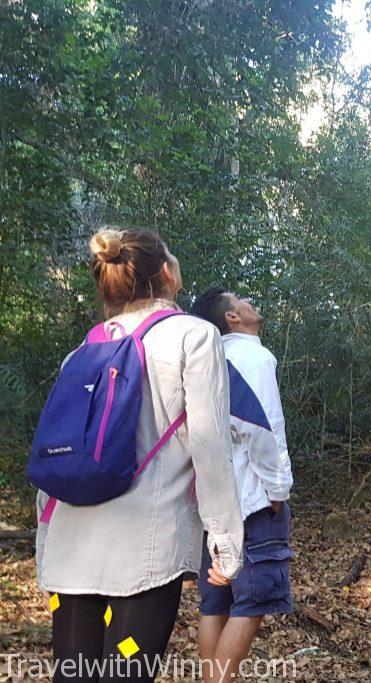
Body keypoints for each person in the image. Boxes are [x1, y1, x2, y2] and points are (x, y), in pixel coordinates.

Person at [35, 228, 244, 683]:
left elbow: (56, 453)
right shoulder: (195, 336)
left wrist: (44, 543)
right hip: (145, 547)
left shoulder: (82, 351)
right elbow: (209, 447)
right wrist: (226, 546)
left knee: (73, 677)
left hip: (70, 546)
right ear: (166, 273)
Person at [191, 288, 293, 683]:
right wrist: (277, 490)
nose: (251, 302)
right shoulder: (251, 355)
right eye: (241, 300)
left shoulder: (206, 361)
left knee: (215, 603)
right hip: (252, 501)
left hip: (212, 502)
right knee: (252, 602)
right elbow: (261, 426)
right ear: (232, 317)